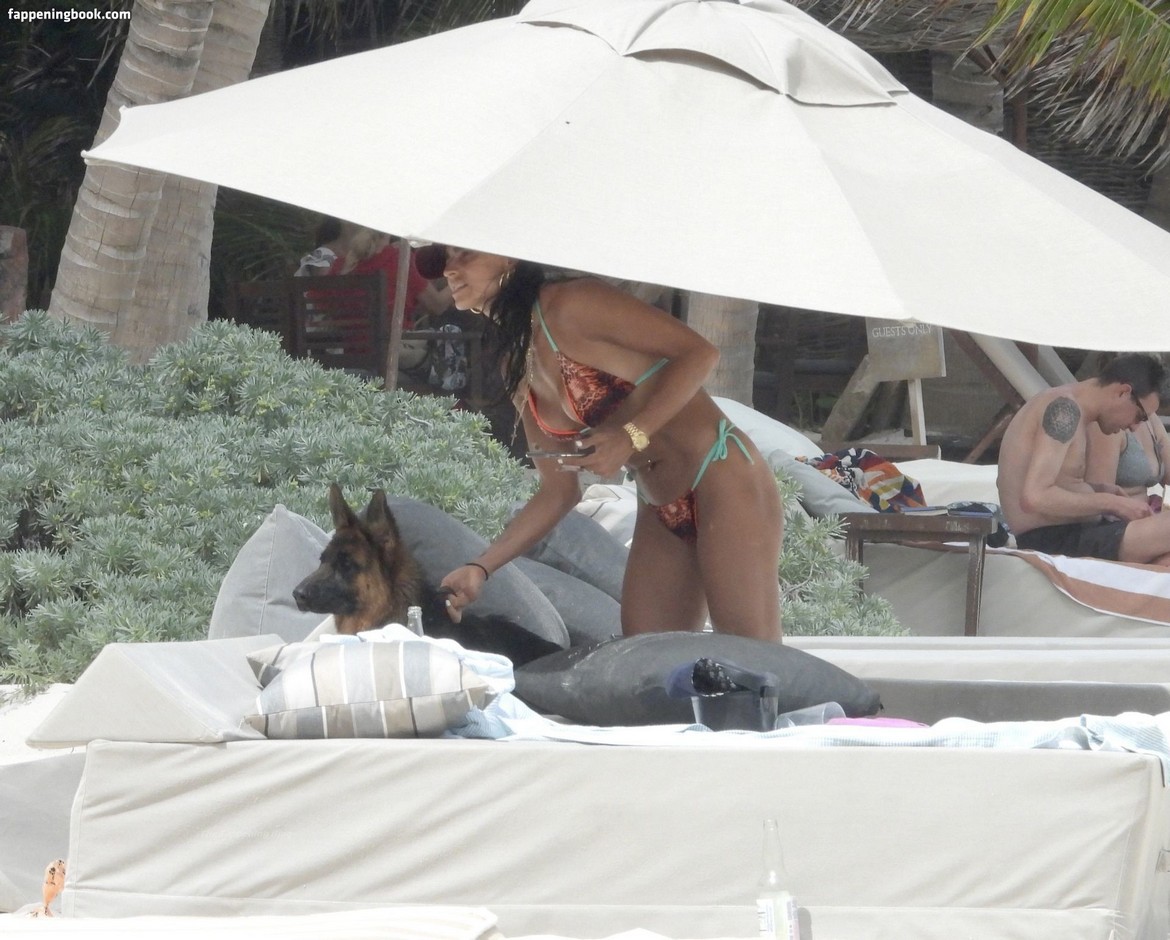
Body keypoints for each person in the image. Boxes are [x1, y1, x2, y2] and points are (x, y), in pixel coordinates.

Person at [425, 245, 784, 642]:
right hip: (660, 503)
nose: (449, 270)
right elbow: (558, 491)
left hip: (719, 474)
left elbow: (700, 354)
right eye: (447, 259)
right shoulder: (517, 362)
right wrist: (481, 568)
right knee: (646, 657)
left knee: (754, 656)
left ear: (509, 256)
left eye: (465, 255)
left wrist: (630, 436)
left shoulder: (571, 303)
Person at [997, 353, 1170, 565]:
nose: (1135, 427)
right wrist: (1112, 503)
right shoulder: (1065, 409)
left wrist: (1099, 490)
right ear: (1123, 392)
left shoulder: (1073, 408)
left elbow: (1060, 482)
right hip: (1053, 540)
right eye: (1139, 416)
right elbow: (1034, 497)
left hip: (1075, 534)